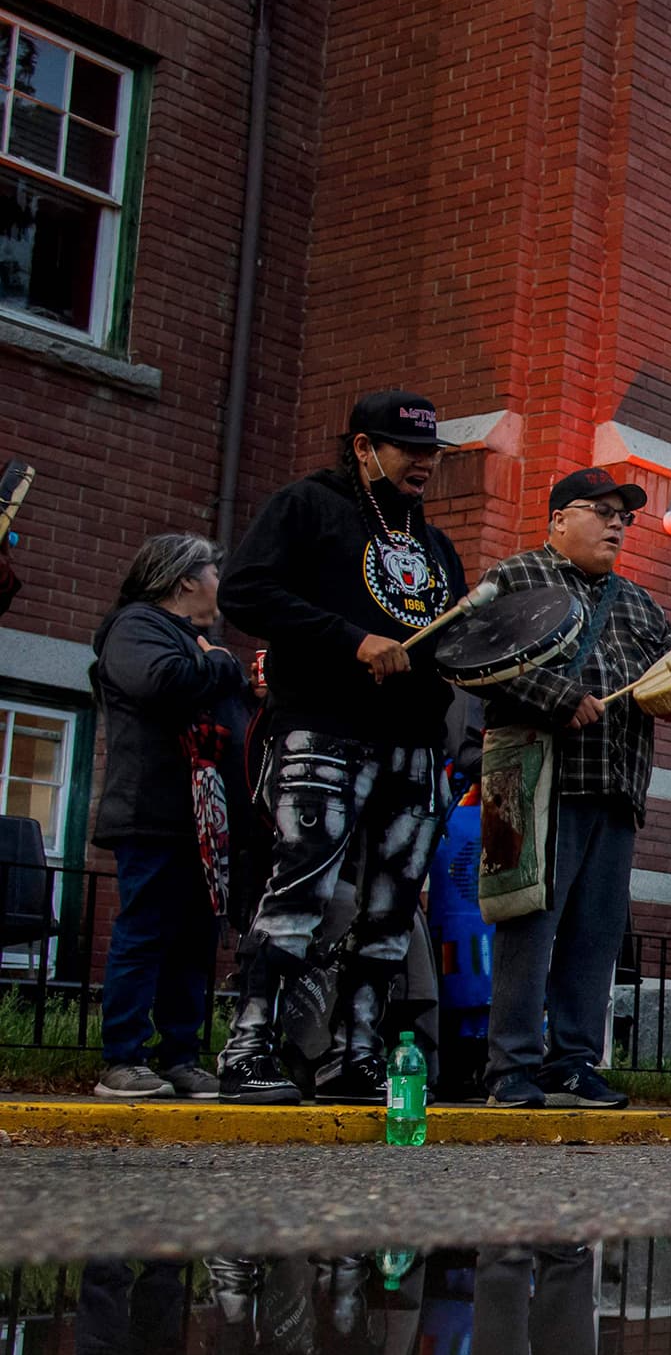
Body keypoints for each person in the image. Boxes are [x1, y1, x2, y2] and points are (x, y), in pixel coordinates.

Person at [214, 390, 464, 1104]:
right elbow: (245, 589)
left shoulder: (435, 545)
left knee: (390, 911)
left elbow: (452, 641)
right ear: (362, 447)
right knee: (299, 891)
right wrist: (352, 640)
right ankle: (248, 1049)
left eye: (431, 452)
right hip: (324, 730)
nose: (424, 464)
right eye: (408, 449)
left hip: (413, 745)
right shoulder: (309, 506)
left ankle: (356, 1056)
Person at [476, 467, 671, 1108]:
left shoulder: (641, 602)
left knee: (594, 935)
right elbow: (465, 656)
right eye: (602, 510)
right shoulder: (514, 576)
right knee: (527, 924)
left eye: (626, 515)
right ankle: (510, 1067)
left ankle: (572, 1063)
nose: (618, 523)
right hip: (534, 780)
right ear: (559, 519)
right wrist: (557, 697)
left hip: (616, 787)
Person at [89, 534, 249, 1099]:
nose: (218, 587)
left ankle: (180, 1054)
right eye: (212, 573)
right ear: (185, 580)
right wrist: (222, 668)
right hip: (153, 810)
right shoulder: (135, 626)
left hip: (202, 821)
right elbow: (159, 682)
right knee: (146, 931)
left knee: (194, 939)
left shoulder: (199, 642)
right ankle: (122, 1058)